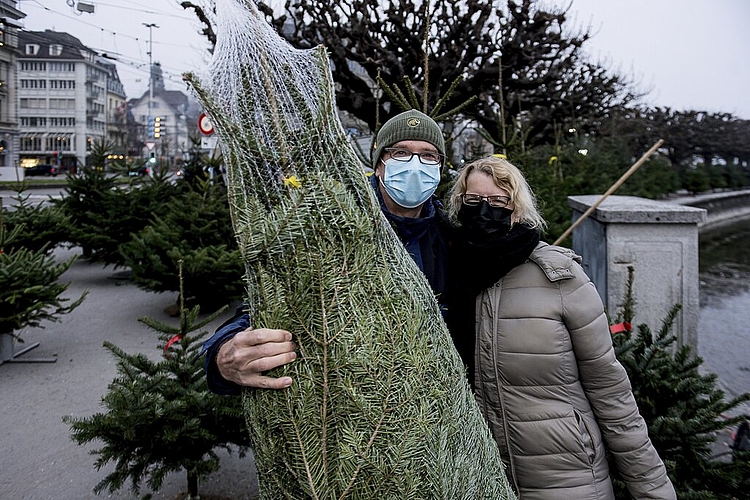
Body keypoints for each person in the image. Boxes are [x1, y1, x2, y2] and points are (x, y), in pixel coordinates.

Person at [444, 155, 676, 499]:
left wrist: (652, 489)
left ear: (517, 207)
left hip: (568, 476)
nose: (484, 209)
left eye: (497, 201)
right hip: (480, 476)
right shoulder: (451, 272)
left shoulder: (560, 277)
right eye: (474, 200)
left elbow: (610, 390)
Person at [202, 109, 451, 393]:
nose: (415, 165)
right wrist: (222, 354)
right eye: (400, 153)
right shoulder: (328, 227)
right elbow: (266, 302)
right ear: (380, 164)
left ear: (439, 168)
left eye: (429, 156)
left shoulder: (450, 235)